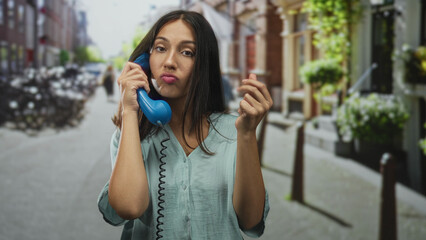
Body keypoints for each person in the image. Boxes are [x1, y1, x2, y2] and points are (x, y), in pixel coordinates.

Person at [98, 10, 272, 239]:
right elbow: (128, 207)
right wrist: (130, 110)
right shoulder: (130, 135)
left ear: (204, 65)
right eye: (160, 48)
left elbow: (250, 221)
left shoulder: (235, 130)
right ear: (144, 63)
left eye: (187, 52)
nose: (169, 62)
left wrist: (248, 135)